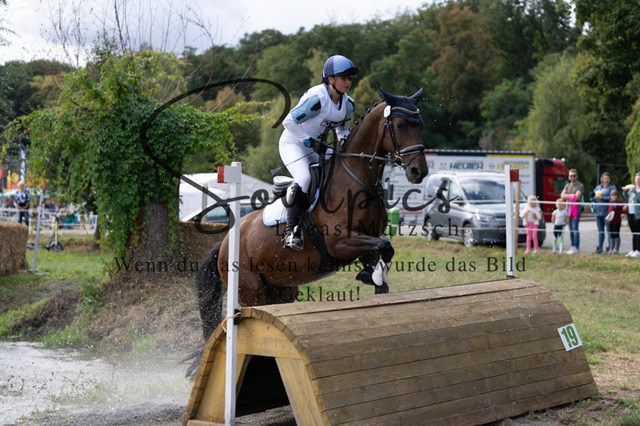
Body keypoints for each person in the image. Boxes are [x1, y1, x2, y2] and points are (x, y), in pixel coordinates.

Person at [279, 54, 358, 251]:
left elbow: (342, 131)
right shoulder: (317, 99)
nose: (348, 82)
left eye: (349, 78)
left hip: (318, 148)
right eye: (344, 78)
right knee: (305, 179)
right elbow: (288, 122)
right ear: (330, 79)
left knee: (339, 172)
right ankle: (290, 232)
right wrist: (309, 141)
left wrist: (345, 143)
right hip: (293, 143)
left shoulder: (348, 104)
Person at [590, 171, 617, 254]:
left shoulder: (612, 187)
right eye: (604, 178)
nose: (606, 180)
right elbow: (592, 197)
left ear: (610, 179)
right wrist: (595, 197)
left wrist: (602, 197)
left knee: (609, 230)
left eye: (607, 178)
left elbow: (613, 197)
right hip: (598, 212)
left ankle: (610, 247)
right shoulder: (598, 187)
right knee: (600, 231)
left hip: (607, 212)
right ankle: (600, 247)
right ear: (602, 179)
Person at [561, 169, 584, 254]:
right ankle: (572, 246)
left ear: (577, 176)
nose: (572, 177)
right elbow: (562, 196)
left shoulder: (580, 185)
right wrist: (573, 195)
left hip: (576, 209)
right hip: (568, 209)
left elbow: (577, 197)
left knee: (575, 228)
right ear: (568, 176)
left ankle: (576, 247)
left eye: (574, 175)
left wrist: (568, 196)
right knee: (570, 228)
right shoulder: (567, 185)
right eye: (571, 176)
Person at [622, 172, 640, 257]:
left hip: (638, 214)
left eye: (639, 179)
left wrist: (635, 191)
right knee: (633, 232)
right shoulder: (631, 189)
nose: (638, 181)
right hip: (630, 213)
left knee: (638, 232)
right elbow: (627, 198)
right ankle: (634, 249)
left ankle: (638, 250)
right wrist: (625, 191)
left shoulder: (636, 190)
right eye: (637, 179)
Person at [606, 189, 625, 254]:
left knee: (616, 234)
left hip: (617, 221)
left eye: (615, 195)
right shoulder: (610, 202)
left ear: (617, 196)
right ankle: (611, 248)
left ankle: (616, 248)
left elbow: (623, 210)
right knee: (612, 234)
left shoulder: (620, 203)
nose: (613, 197)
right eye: (612, 195)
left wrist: (619, 213)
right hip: (610, 221)